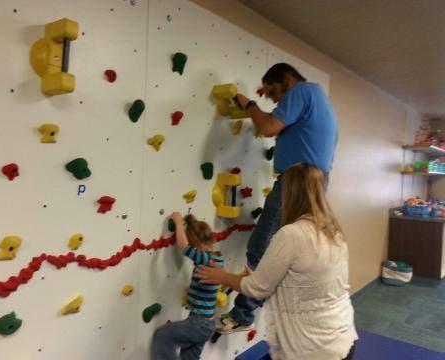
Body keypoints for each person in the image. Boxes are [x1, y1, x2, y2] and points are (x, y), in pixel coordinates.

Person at [216, 63, 338, 334]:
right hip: (316, 181)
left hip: (299, 180)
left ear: (287, 79)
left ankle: (243, 312)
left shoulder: (302, 90)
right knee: (291, 248)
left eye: (273, 92)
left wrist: (249, 105)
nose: (273, 100)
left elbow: (269, 127)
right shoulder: (318, 98)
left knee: (261, 247)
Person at [197, 163, 358, 360]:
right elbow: (309, 284)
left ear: (290, 194)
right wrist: (262, 278)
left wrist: (221, 276)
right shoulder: (333, 231)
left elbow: (256, 289)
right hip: (343, 338)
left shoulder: (291, 234)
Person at [151, 213, 225, 360]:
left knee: (162, 335)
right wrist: (192, 289)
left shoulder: (206, 258)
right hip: (206, 322)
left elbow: (183, 246)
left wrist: (178, 223)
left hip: (200, 323)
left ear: (196, 244)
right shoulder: (218, 257)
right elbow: (207, 283)